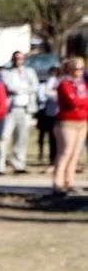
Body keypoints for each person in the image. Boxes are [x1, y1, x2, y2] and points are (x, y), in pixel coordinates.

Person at [0, 51, 40, 174]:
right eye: (16, 58)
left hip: (25, 108)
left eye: (21, 58)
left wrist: (22, 89)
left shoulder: (30, 72)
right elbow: (10, 87)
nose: (18, 61)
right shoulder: (6, 73)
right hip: (11, 109)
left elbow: (35, 86)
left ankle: (19, 164)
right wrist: (25, 88)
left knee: (22, 138)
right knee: (4, 137)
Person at [52, 57, 87, 195]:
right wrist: (83, 102)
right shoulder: (64, 84)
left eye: (82, 68)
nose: (80, 72)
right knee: (65, 152)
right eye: (77, 68)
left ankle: (69, 181)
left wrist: (82, 103)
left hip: (82, 122)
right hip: (67, 123)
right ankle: (57, 182)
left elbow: (83, 102)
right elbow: (73, 102)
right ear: (70, 69)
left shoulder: (83, 84)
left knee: (75, 153)